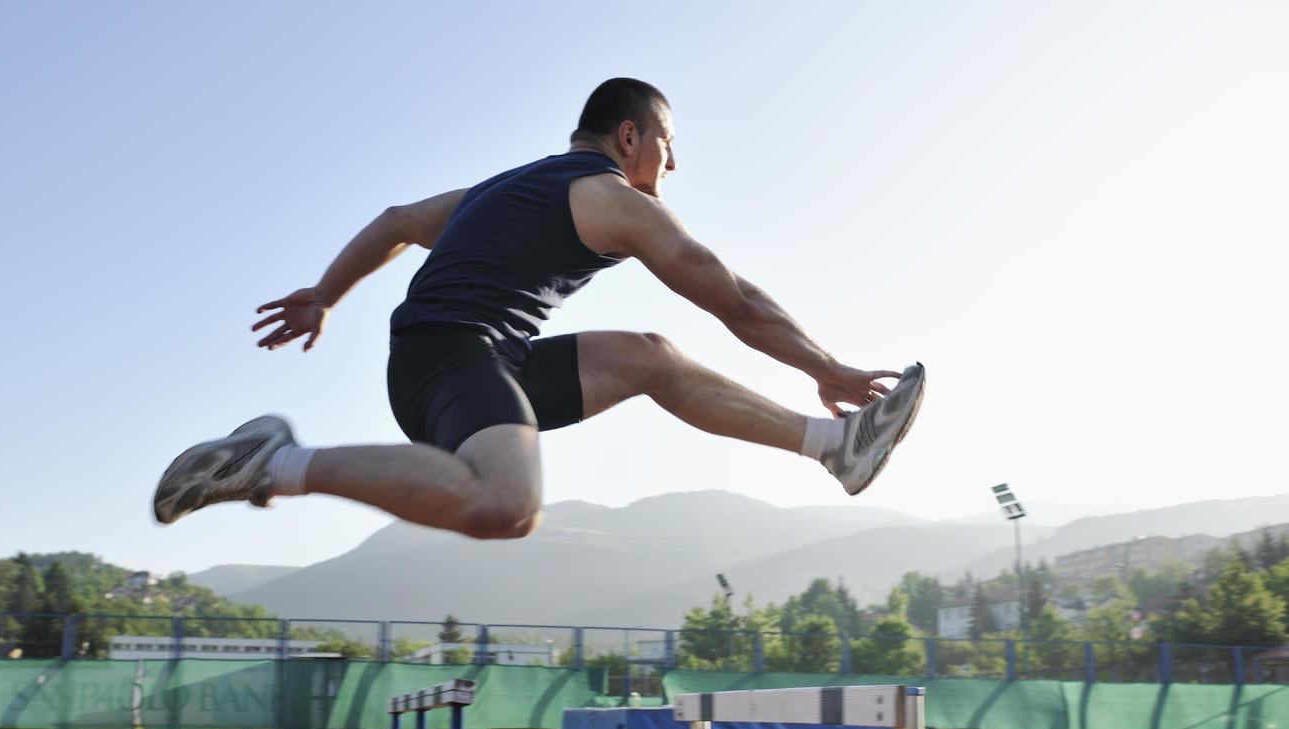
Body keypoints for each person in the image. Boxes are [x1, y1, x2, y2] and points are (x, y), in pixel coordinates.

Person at [154, 78, 924, 539]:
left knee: (649, 356)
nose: (675, 164)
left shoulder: (504, 188)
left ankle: (834, 446)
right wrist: (828, 366)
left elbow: (396, 221)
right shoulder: (611, 198)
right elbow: (735, 298)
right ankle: (273, 463)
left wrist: (326, 294)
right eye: (668, 143)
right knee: (507, 504)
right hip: (451, 355)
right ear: (631, 137)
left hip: (485, 358)